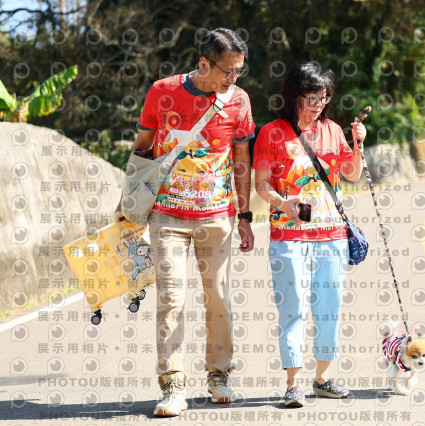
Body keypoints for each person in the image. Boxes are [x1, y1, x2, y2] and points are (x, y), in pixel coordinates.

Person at [115, 28, 255, 417]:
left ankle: (219, 375)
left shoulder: (239, 100)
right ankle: (173, 385)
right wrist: (127, 200)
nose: (233, 78)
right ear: (204, 63)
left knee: (219, 299)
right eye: (228, 70)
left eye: (239, 70)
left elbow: (241, 160)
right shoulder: (163, 91)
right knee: (171, 300)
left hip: (217, 216)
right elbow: (143, 148)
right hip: (167, 216)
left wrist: (245, 216)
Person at [252, 63, 366, 408]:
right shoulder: (271, 132)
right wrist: (281, 203)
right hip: (288, 235)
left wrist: (358, 143)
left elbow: (352, 173)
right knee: (294, 308)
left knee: (330, 308)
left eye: (324, 97)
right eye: (311, 97)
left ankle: (323, 378)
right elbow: (261, 183)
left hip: (331, 235)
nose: (318, 104)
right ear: (293, 95)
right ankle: (293, 384)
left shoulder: (333, 130)